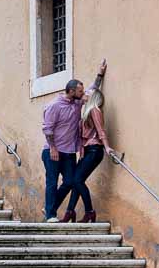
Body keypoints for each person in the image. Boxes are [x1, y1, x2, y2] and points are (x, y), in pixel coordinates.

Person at [41, 60, 106, 223]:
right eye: (80, 90)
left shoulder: (78, 102)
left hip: (69, 152)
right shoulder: (54, 105)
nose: (83, 93)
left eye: (83, 90)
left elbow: (93, 89)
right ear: (71, 91)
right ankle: (50, 215)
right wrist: (53, 148)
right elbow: (47, 129)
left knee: (70, 182)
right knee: (52, 181)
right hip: (53, 151)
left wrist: (100, 74)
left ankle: (51, 206)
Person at [59, 88, 114, 222]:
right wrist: (99, 76)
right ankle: (70, 212)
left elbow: (101, 131)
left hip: (95, 150)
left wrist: (107, 147)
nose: (84, 94)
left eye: (87, 93)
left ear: (93, 97)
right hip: (87, 151)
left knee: (77, 180)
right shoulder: (86, 111)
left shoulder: (95, 110)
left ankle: (89, 212)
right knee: (76, 181)